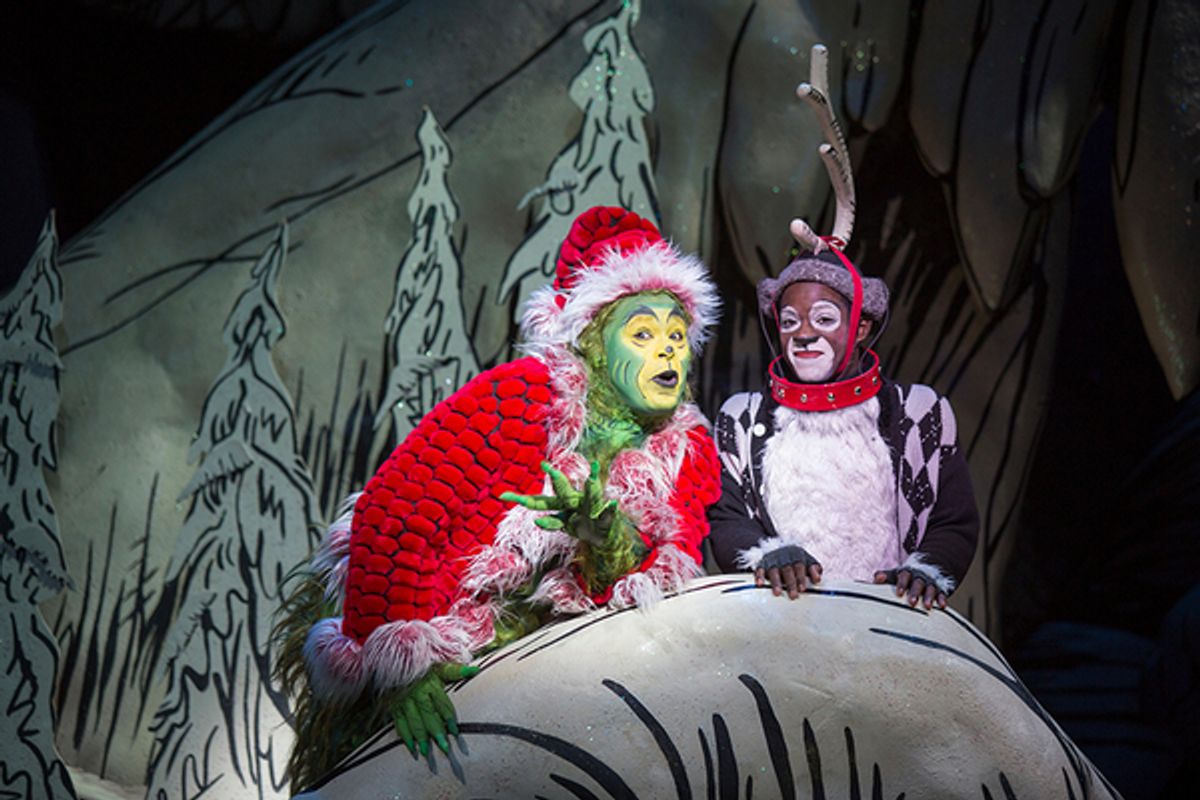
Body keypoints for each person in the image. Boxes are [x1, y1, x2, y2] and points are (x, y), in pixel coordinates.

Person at [275, 205, 722, 790]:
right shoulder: (523, 397)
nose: (667, 352)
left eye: (677, 335)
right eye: (642, 334)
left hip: (551, 684)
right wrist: (401, 669)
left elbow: (650, 579)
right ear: (590, 339)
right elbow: (394, 510)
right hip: (436, 630)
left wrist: (606, 537)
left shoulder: (687, 451)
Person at [708, 245, 978, 610]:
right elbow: (726, 517)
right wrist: (768, 554)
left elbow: (954, 521)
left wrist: (925, 570)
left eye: (823, 319)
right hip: (781, 625)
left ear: (861, 327)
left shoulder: (919, 413)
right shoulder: (741, 418)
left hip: (890, 624)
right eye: (789, 322)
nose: (803, 334)